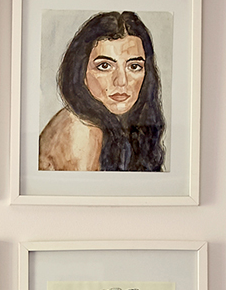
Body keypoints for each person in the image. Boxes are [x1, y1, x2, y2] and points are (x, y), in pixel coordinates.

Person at [39, 11, 165, 173]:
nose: (121, 81)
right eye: (104, 66)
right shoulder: (80, 131)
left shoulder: (124, 126)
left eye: (134, 66)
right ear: (81, 72)